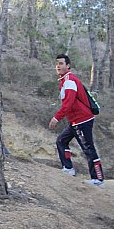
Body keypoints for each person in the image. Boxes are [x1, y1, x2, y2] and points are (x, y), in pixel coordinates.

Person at [48, 54, 105, 187]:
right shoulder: (64, 80)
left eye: (61, 63)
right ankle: (68, 169)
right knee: (61, 140)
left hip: (82, 120)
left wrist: (56, 117)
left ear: (68, 66)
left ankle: (98, 179)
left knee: (88, 148)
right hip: (75, 121)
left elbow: (68, 104)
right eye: (57, 63)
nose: (58, 66)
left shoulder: (69, 80)